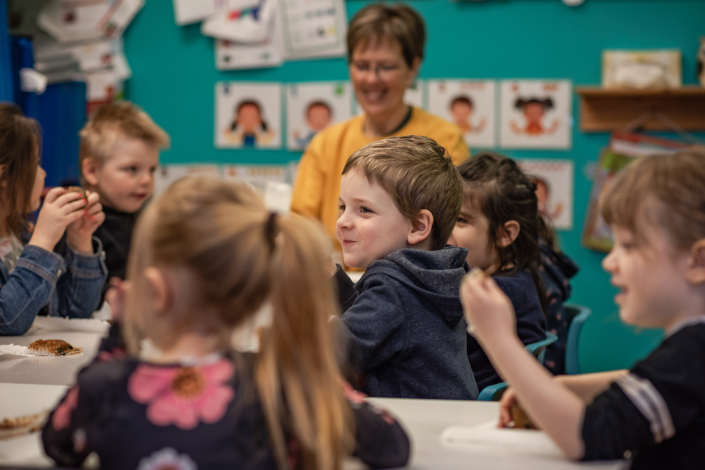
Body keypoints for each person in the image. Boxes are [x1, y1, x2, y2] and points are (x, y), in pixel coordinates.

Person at [43, 178, 410, 470]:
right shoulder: (284, 387)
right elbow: (392, 445)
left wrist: (117, 339)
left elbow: (58, 444)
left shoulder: (105, 386)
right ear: (258, 291)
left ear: (154, 291)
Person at [462, 150, 705, 469]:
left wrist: (498, 339)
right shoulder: (690, 349)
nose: (609, 261)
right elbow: (647, 383)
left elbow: (588, 437)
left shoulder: (694, 350)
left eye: (629, 245)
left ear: (698, 261)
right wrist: (560, 388)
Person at [291, 3, 470, 257]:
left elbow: (453, 233)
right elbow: (300, 228)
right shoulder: (326, 143)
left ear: (413, 68)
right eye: (362, 66)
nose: (372, 79)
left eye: (386, 67)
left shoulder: (444, 141)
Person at [333, 135, 478, 400]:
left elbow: (332, 354)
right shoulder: (432, 275)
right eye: (343, 206)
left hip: (416, 434)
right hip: (446, 422)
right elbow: (374, 324)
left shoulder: (395, 289)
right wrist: (333, 280)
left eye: (364, 210)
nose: (343, 221)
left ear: (418, 227)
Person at [0, 103, 106, 335]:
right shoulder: (35, 238)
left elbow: (74, 311)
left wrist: (80, 239)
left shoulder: (19, 234)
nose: (43, 173)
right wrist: (43, 240)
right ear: (5, 175)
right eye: (36, 164)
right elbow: (7, 320)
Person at [449, 153, 547, 391]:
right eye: (445, 215)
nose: (444, 230)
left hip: (476, 409)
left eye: (460, 220)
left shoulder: (493, 293)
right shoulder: (517, 276)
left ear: (505, 234)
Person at [79, 101, 170, 304]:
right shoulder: (78, 225)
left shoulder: (146, 217)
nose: (147, 180)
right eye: (131, 169)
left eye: (152, 170)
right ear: (92, 171)